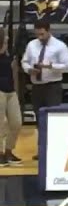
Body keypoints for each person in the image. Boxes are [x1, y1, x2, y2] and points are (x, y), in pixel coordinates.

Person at [22, 19, 68, 143]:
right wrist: (29, 70)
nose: (39, 37)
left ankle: (54, 146)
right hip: (37, 86)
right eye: (37, 34)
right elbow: (24, 61)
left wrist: (50, 66)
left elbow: (66, 67)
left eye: (42, 34)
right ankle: (42, 148)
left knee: (53, 118)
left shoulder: (60, 46)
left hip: (52, 87)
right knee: (39, 118)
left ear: (49, 31)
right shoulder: (32, 44)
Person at [0, 31, 21, 165]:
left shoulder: (10, 55)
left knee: (16, 123)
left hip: (11, 91)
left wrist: (17, 91)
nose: (8, 40)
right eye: (6, 40)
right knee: (0, 125)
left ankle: (9, 151)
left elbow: (14, 73)